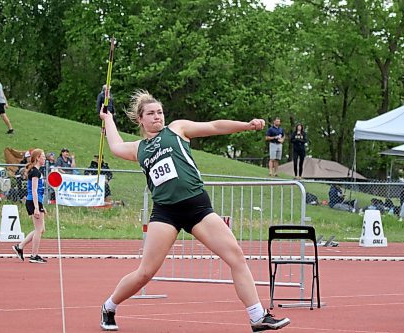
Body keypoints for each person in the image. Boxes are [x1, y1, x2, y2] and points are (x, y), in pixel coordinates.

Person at [98, 90, 290, 332]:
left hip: (197, 207)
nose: (157, 116)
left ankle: (257, 316)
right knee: (145, 273)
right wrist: (108, 118)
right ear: (141, 120)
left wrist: (246, 126)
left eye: (159, 112)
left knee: (236, 256)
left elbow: (213, 126)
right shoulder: (139, 148)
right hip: (165, 213)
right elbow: (115, 145)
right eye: (151, 113)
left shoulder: (177, 129)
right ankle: (109, 306)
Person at [12, 149, 47, 264]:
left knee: (41, 229)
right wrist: (37, 207)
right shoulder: (35, 172)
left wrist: (41, 205)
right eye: (43, 156)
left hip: (36, 201)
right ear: (37, 158)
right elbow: (34, 190)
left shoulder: (36, 171)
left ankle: (20, 246)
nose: (45, 158)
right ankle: (34, 255)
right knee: (38, 229)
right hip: (33, 201)